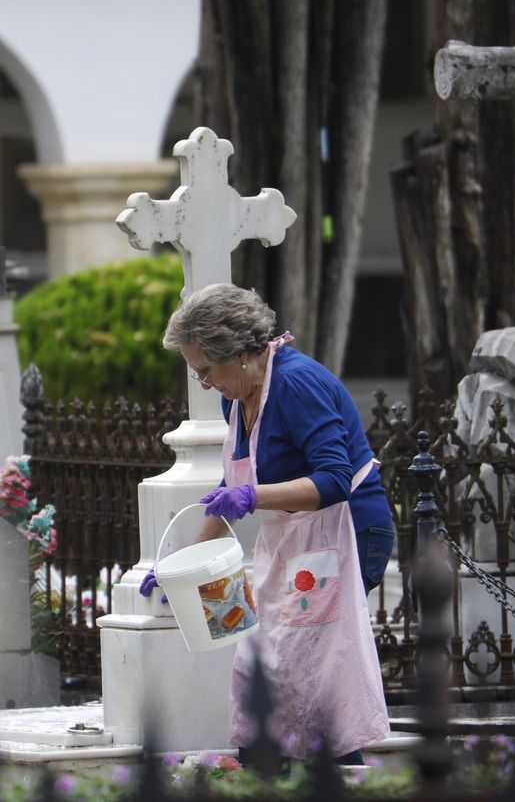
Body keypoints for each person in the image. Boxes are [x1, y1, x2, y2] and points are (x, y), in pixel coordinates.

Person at [140, 283, 391, 767]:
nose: (204, 384)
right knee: (263, 666)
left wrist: (253, 497)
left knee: (308, 668)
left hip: (349, 533)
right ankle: (267, 778)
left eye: (205, 370)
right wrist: (180, 566)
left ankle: (336, 778)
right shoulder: (236, 399)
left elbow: (335, 479)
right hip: (294, 541)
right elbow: (231, 486)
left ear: (237, 353)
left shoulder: (296, 384)